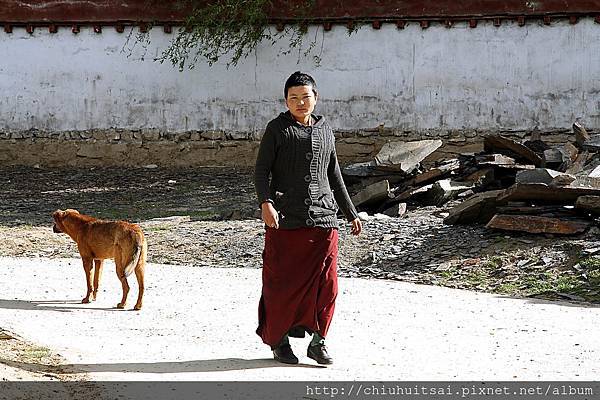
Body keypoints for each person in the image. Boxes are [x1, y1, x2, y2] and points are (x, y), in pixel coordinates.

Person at [254, 71, 362, 365]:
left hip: (325, 219)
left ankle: (319, 341)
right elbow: (261, 170)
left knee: (327, 283)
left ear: (316, 98)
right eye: (294, 98)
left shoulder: (326, 130)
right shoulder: (277, 129)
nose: (300, 102)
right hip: (286, 219)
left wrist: (350, 212)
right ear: (286, 100)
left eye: (306, 97)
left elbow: (334, 173)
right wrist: (266, 203)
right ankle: (279, 340)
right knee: (282, 283)